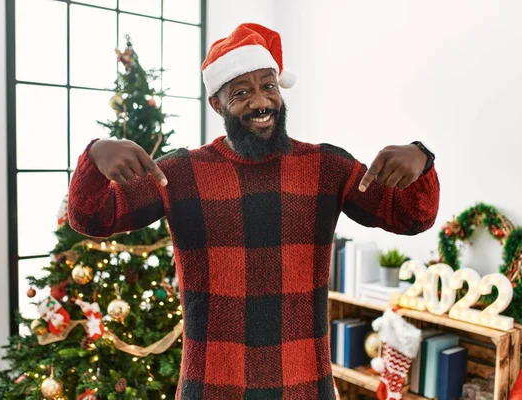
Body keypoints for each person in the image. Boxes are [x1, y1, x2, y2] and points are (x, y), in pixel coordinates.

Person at [68, 23, 440, 400]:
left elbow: (411, 217)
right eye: (241, 92)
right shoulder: (179, 174)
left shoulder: (327, 167)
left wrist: (422, 158)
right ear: (217, 103)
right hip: (211, 386)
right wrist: (94, 156)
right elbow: (93, 219)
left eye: (268, 86)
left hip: (306, 387)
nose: (260, 102)